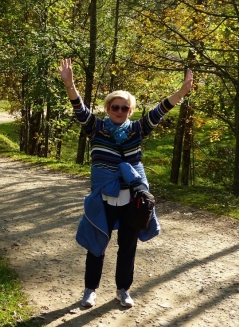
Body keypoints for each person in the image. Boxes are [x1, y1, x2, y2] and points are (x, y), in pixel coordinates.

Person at [58, 58, 193, 308]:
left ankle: (122, 290)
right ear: (108, 109)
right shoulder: (96, 129)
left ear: (130, 111)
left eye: (124, 108)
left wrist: (182, 92)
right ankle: (90, 290)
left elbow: (160, 110)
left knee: (128, 247)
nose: (119, 111)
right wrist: (70, 85)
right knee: (97, 243)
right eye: (114, 107)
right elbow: (79, 109)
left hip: (132, 199)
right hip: (104, 199)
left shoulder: (137, 130)